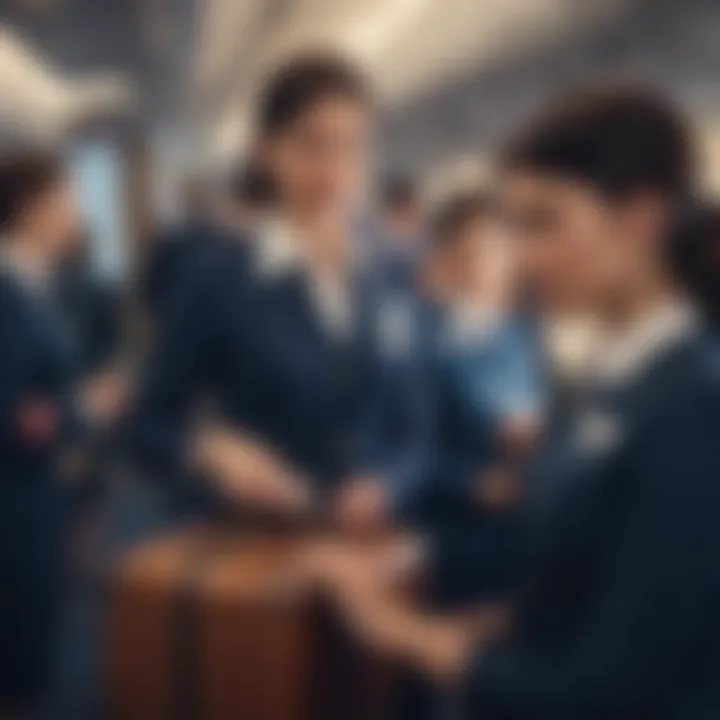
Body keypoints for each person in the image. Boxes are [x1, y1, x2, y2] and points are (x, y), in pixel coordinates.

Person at [309, 87, 720, 719]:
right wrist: (450, 602)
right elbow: (560, 585)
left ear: (641, 217)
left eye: (545, 222)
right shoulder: (606, 377)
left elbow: (609, 689)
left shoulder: (695, 407)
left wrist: (402, 632)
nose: (524, 256)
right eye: (517, 225)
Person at [130, 53, 430, 522]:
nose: (332, 166)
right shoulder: (217, 273)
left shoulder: (393, 271)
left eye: (351, 146)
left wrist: (387, 483)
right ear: (267, 150)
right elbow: (147, 426)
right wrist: (210, 449)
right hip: (252, 541)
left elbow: (415, 431)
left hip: (362, 546)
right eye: (311, 143)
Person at [417, 192, 544, 606]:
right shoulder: (420, 339)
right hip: (446, 537)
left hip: (524, 537)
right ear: (444, 257)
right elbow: (396, 446)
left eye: (493, 251)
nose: (479, 265)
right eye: (466, 251)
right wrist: (468, 483)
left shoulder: (528, 336)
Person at [0, 150, 82, 717]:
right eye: (65, 201)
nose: (73, 214)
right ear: (32, 210)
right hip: (13, 503)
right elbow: (14, 413)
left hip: (33, 497)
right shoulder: (9, 294)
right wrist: (83, 414)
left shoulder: (33, 284)